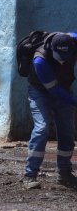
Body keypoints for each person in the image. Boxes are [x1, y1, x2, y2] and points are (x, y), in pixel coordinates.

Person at [24, 31, 77, 187]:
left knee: (67, 130)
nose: (62, 62)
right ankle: (30, 175)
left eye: (65, 58)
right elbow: (55, 92)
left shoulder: (74, 42)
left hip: (64, 87)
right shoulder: (40, 60)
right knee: (42, 128)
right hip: (40, 91)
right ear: (51, 48)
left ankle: (65, 173)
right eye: (58, 57)